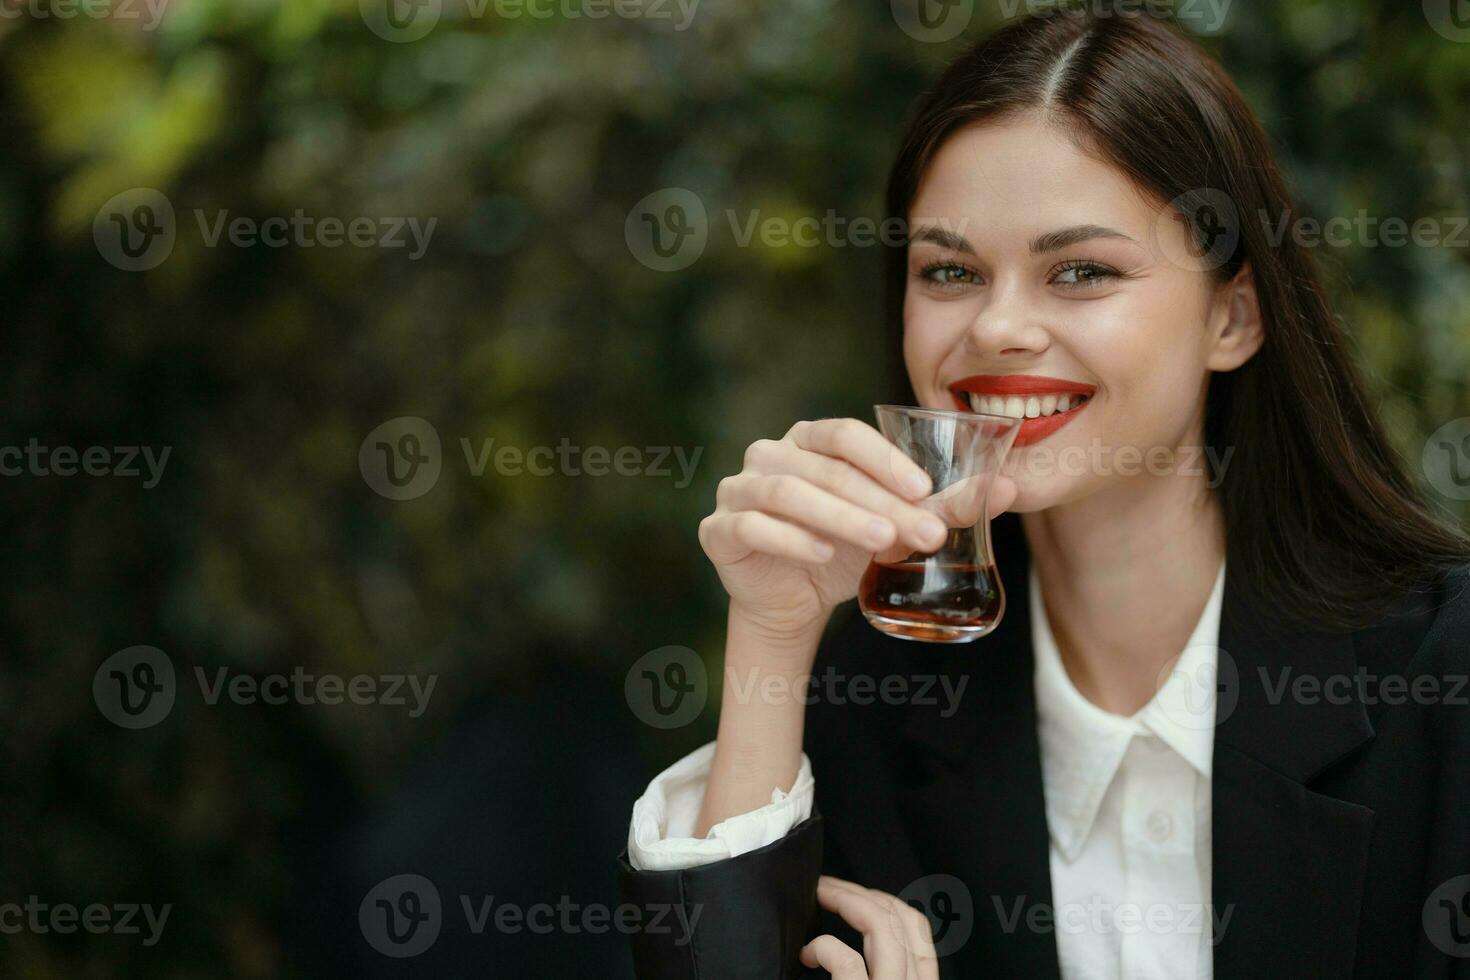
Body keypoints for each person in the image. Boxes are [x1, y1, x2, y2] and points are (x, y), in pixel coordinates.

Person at [618, 7, 1470, 978]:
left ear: (1232, 316)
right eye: (950, 270)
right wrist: (771, 634)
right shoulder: (870, 709)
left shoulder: (1442, 681)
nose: (998, 327)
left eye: (1079, 270)